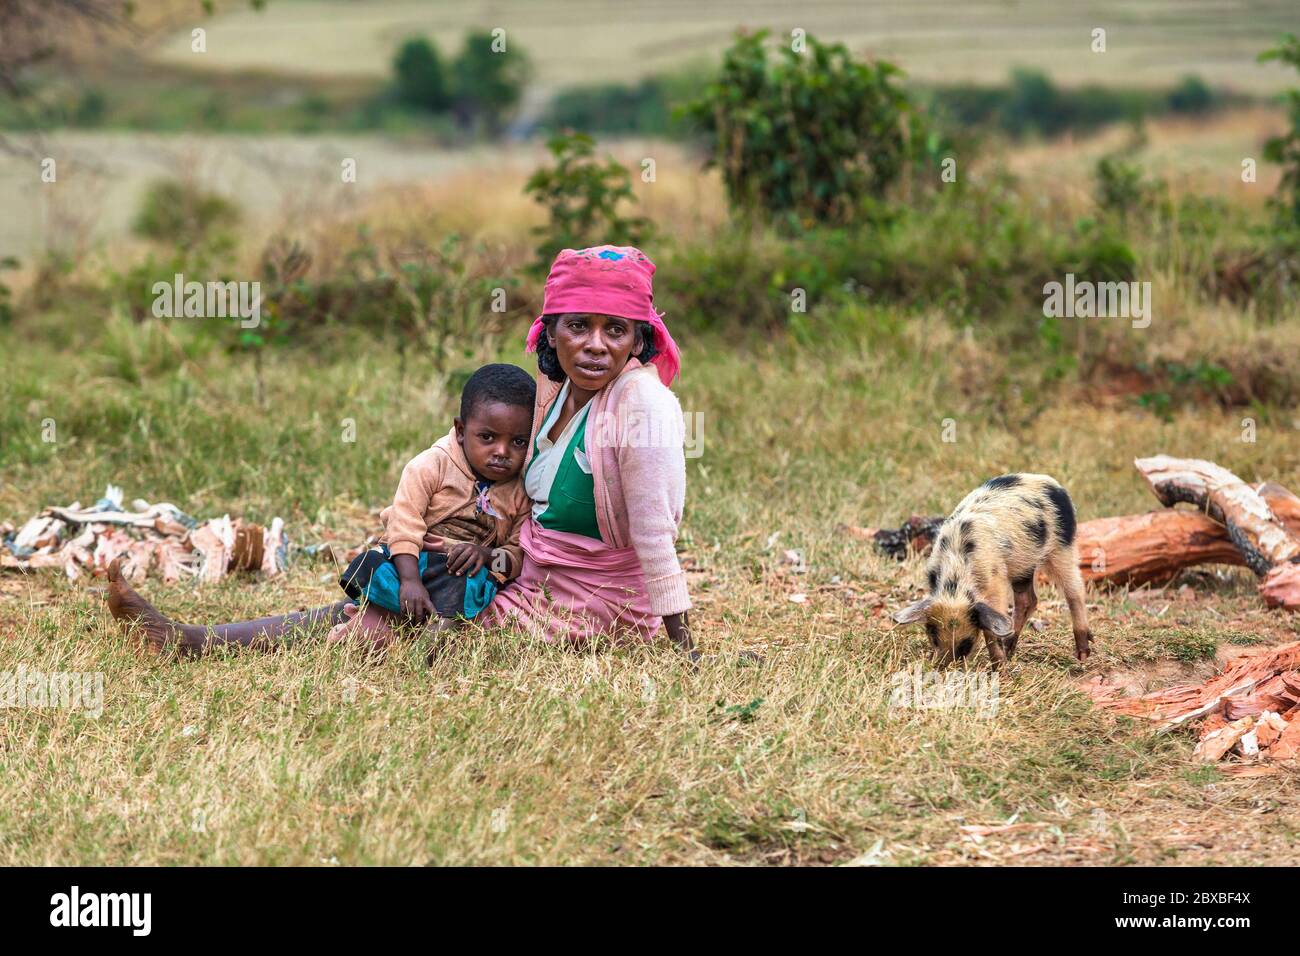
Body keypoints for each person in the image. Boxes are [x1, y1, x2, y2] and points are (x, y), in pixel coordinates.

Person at [107, 364, 534, 655]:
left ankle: (190, 641)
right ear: (460, 431)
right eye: (488, 437)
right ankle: (188, 640)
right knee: (354, 609)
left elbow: (517, 550)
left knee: (361, 631)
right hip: (409, 573)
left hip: (459, 590)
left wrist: (489, 555)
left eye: (518, 442)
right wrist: (408, 580)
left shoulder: (518, 490)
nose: (502, 453)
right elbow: (403, 522)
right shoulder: (433, 465)